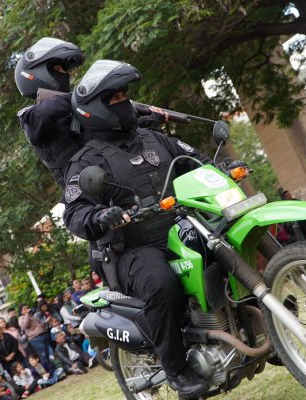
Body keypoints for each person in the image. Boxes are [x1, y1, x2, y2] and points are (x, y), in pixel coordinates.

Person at [62, 60, 211, 397]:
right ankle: (175, 368)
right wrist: (101, 217)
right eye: (115, 99)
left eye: (125, 95)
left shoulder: (154, 139)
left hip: (181, 229)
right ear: (96, 110)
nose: (126, 103)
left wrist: (225, 168)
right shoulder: (87, 161)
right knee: (161, 283)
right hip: (131, 251)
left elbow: (198, 162)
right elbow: (74, 212)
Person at [15, 37, 86, 189]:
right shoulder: (31, 116)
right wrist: (83, 98)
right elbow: (46, 112)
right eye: (58, 69)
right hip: (86, 197)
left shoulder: (75, 107)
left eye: (65, 70)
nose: (65, 74)